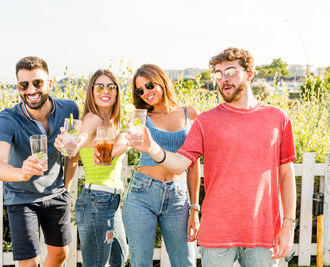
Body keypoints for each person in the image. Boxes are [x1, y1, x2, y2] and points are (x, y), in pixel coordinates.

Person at [132, 48, 297, 266]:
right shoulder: (206, 122)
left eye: (230, 71)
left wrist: (288, 225)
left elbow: (286, 173)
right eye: (218, 74)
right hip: (217, 235)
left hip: (262, 234)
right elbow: (181, 163)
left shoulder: (278, 118)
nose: (223, 79)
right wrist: (153, 149)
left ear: (249, 74)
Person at [0, 56, 79, 267]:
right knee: (29, 263)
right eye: (24, 85)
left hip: (56, 194)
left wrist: (65, 188)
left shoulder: (69, 109)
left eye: (37, 83)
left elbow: (72, 152)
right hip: (21, 198)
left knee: (60, 255)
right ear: (18, 88)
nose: (31, 90)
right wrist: (22, 172)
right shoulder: (7, 119)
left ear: (49, 84)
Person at [122, 64, 199, 267]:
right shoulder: (141, 117)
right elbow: (127, 139)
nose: (146, 93)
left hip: (178, 196)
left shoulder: (190, 114)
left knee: (186, 262)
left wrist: (194, 209)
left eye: (149, 86)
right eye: (140, 90)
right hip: (142, 193)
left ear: (161, 81)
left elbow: (194, 165)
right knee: (141, 263)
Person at [54, 69, 128, 267]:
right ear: (92, 91)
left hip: (112, 200)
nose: (106, 91)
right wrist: (71, 144)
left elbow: (74, 161)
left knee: (119, 257)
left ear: (117, 91)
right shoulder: (92, 118)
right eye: (100, 86)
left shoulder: (115, 120)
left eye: (111, 86)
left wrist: (66, 188)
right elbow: (82, 138)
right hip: (96, 201)